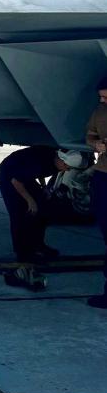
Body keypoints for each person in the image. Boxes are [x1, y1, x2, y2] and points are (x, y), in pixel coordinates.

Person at [0, 146, 84, 263]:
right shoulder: (39, 164)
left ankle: (39, 246)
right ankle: (23, 253)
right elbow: (16, 181)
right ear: (61, 160)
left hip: (24, 176)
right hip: (8, 175)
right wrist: (30, 201)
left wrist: (42, 188)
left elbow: (39, 174)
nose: (66, 170)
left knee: (43, 210)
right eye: (66, 167)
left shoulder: (56, 163)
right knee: (19, 214)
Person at [85, 77, 107, 309]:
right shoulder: (100, 112)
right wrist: (96, 145)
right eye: (101, 98)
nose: (103, 102)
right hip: (104, 173)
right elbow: (90, 134)